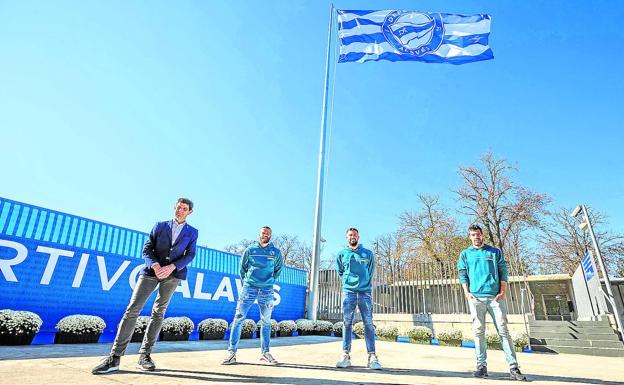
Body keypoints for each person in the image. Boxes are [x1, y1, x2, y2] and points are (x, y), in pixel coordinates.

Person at [92, 198, 198, 374]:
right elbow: (147, 249)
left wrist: (172, 267)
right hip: (151, 272)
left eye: (184, 208)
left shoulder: (192, 232)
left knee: (159, 312)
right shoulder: (159, 225)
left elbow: (190, 254)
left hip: (172, 275)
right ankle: (115, 357)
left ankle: (145, 356)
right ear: (175, 208)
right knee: (132, 309)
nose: (180, 210)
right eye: (178, 207)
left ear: (189, 212)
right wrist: (156, 265)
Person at [458, 224, 527, 381]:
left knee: (503, 331)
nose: (476, 237)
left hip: (495, 298)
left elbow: (503, 271)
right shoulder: (465, 254)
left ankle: (513, 367)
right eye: (473, 235)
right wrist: (467, 293)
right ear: (470, 237)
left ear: (483, 235)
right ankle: (481, 366)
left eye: (478, 234)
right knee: (478, 331)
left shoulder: (494, 252)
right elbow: (462, 274)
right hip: (476, 298)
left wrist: (502, 291)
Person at [221, 226, 283, 365]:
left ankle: (265, 353)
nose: (265, 234)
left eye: (267, 233)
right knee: (238, 318)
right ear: (259, 234)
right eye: (263, 232)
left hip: (267, 290)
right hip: (249, 288)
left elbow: (278, 270)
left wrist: (270, 281)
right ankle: (232, 353)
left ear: (270, 235)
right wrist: (247, 283)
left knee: (266, 322)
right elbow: (242, 269)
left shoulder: (276, 252)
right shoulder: (250, 250)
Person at [335, 227, 381, 370]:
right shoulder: (342, 254)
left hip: (364, 293)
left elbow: (371, 271)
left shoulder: (367, 253)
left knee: (368, 323)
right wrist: (347, 282)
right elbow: (340, 271)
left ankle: (372, 356)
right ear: (346, 237)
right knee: (347, 323)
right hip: (349, 292)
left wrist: (364, 282)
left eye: (354, 235)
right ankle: (345, 355)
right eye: (350, 235)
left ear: (358, 237)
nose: (352, 237)